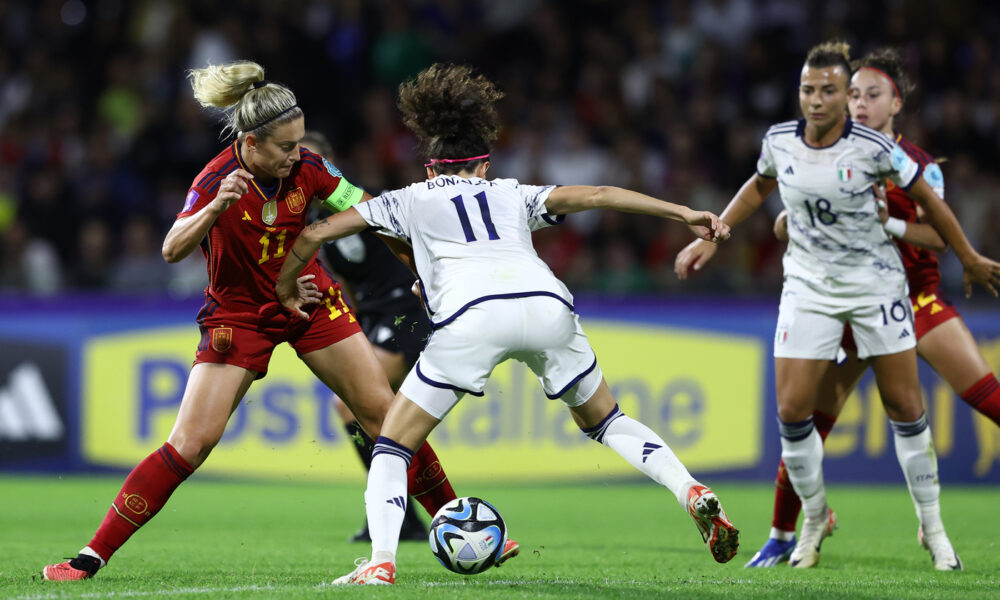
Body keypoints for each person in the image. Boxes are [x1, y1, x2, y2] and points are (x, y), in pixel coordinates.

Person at [41, 60, 510, 581]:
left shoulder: (309, 167)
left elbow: (370, 211)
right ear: (250, 142)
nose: (297, 155)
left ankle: (461, 526)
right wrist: (214, 207)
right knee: (191, 443)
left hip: (308, 300)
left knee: (386, 419)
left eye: (299, 143)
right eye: (285, 147)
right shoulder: (215, 180)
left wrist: (426, 263)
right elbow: (173, 248)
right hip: (239, 316)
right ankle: (90, 557)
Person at [276, 63, 738, 586]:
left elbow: (315, 235)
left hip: (472, 318)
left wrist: (286, 286)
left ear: (431, 169)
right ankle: (690, 490)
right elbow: (598, 194)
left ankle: (381, 561)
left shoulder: (406, 199)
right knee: (607, 420)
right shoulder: (513, 192)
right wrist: (684, 213)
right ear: (484, 166)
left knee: (391, 444)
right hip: (547, 305)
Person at [674, 41, 1000, 571]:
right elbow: (765, 188)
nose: (828, 100)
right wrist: (722, 233)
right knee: (796, 416)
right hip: (814, 293)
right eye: (811, 89)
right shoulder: (780, 141)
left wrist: (965, 254)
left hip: (897, 294)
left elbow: (935, 218)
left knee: (911, 408)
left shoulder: (891, 155)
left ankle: (934, 532)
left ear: (891, 103)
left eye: (852, 92)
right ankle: (799, 527)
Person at [300, 130, 430, 543]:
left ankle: (406, 509)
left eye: (313, 160)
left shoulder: (366, 205)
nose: (304, 169)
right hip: (375, 316)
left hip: (408, 310)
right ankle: (403, 513)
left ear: (330, 165)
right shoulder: (317, 225)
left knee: (364, 405)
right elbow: (351, 288)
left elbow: (413, 246)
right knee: (360, 410)